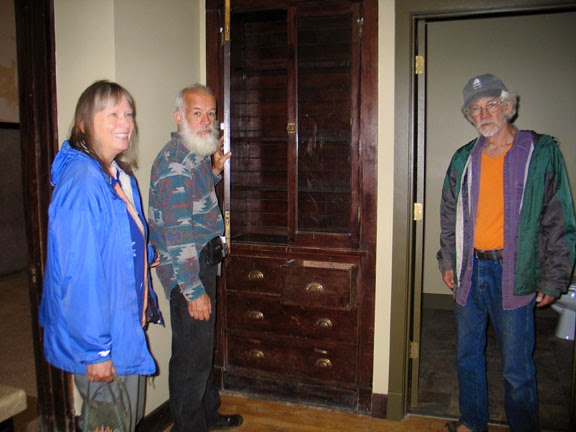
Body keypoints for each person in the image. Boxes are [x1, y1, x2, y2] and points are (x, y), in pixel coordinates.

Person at [437, 73, 576, 432]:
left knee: (517, 367)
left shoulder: (540, 153)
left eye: (492, 104)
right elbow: (449, 214)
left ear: (509, 106)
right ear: (469, 116)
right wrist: (448, 260)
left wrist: (554, 277)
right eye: (475, 109)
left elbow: (558, 218)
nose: (484, 114)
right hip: (470, 271)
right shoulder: (464, 158)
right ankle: (472, 422)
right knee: (467, 356)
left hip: (515, 272)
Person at [39, 80, 163, 431]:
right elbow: (79, 276)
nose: (125, 122)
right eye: (113, 114)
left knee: (128, 420)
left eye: (129, 114)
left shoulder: (114, 175)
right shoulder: (83, 182)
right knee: (112, 423)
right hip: (100, 337)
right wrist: (95, 352)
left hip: (121, 326)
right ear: (83, 124)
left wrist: (144, 253)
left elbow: (110, 238)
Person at [148, 84, 242, 432]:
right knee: (191, 361)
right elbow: (178, 233)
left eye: (211, 114)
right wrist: (192, 289)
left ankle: (209, 414)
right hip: (188, 270)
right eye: (197, 113)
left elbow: (193, 199)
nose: (206, 121)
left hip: (200, 262)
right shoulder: (174, 164)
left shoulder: (192, 154)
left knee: (201, 352)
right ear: (179, 117)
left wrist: (213, 171)